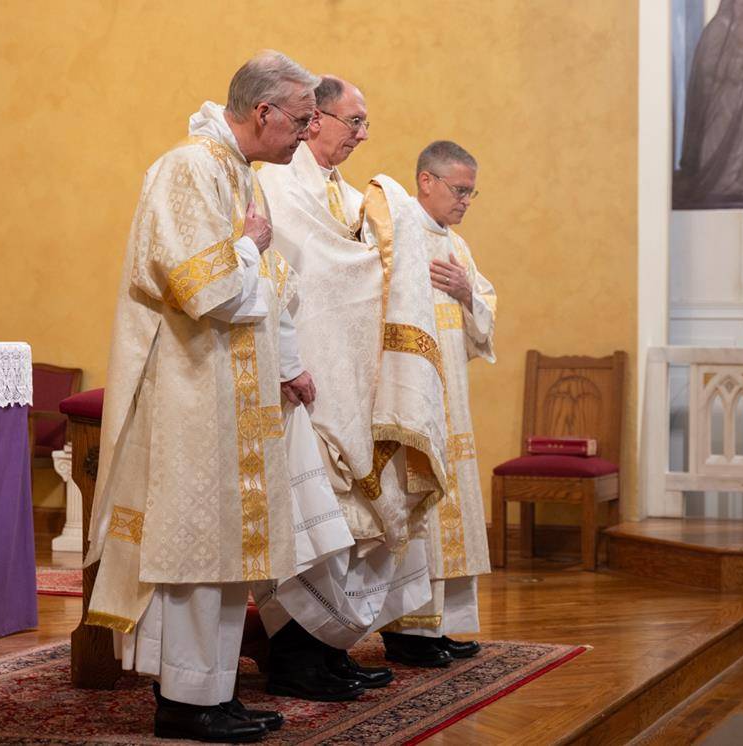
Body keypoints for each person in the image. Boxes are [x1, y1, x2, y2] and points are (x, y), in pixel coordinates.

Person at [83, 51, 319, 743]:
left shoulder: (239, 173)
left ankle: (212, 692)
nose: (306, 132)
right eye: (302, 119)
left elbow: (265, 283)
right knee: (191, 546)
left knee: (225, 550)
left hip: (228, 388)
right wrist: (247, 251)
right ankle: (183, 700)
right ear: (263, 111)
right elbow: (200, 288)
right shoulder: (187, 167)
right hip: (189, 390)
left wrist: (286, 351)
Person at [254, 76, 436, 699]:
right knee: (314, 521)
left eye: (365, 124)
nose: (362, 135)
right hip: (304, 374)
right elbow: (323, 271)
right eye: (353, 122)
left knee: (351, 525)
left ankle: (328, 650)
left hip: (345, 374)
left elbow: (366, 256)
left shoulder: (337, 189)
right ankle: (293, 660)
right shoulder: (280, 183)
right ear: (315, 120)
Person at [363, 140, 497, 667]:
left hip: (451, 401)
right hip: (412, 396)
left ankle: (439, 624)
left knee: (453, 511)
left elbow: (483, 314)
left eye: (471, 192)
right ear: (426, 181)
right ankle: (408, 629)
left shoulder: (456, 246)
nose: (466, 200)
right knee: (417, 509)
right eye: (459, 189)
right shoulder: (394, 235)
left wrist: (467, 293)